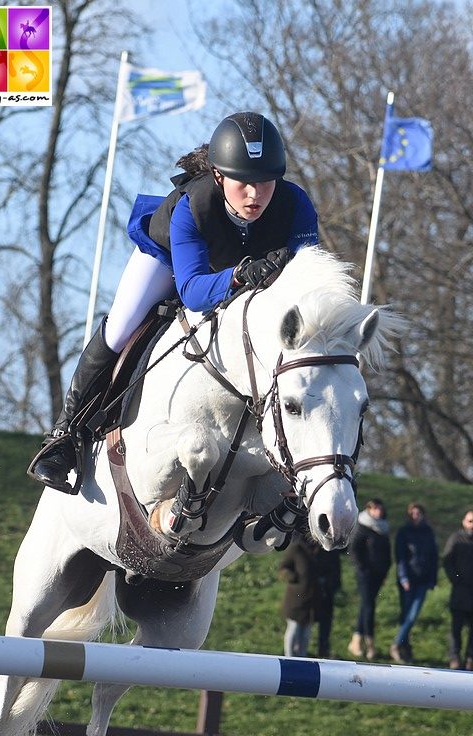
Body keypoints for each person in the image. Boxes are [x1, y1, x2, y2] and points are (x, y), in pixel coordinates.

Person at [30, 111, 318, 491]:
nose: (255, 194)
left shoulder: (295, 205)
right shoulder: (192, 206)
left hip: (239, 266)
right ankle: (65, 436)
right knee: (121, 327)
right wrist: (237, 274)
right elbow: (194, 291)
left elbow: (309, 281)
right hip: (171, 261)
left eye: (266, 182)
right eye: (243, 183)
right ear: (218, 175)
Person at [390, 502, 438, 663]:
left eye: (418, 513)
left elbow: (434, 557)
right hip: (408, 580)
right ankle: (402, 648)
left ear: (423, 515)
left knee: (412, 615)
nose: (416, 516)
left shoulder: (428, 532)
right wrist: (403, 578)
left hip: (423, 580)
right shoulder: (404, 532)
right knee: (406, 617)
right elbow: (401, 558)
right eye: (413, 513)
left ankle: (397, 645)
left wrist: (433, 579)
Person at [279, 538, 341, 659]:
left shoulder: (324, 552)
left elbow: (331, 571)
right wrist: (295, 578)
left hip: (313, 598)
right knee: (294, 628)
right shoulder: (296, 549)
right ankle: (289, 657)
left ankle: (302, 657)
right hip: (296, 597)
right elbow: (284, 568)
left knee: (306, 631)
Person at [347, 498, 391, 661]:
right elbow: (354, 550)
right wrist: (363, 568)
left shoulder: (384, 528)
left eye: (380, 508)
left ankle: (356, 640)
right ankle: (369, 643)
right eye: (375, 508)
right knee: (369, 605)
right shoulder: (362, 527)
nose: (378, 511)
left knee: (367, 605)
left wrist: (385, 570)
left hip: (379, 575)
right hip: (365, 574)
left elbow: (387, 552)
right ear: (369, 509)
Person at [442, 510, 473, 670]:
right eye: (470, 521)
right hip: (460, 591)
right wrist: (455, 578)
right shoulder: (456, 538)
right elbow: (447, 560)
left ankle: (470, 659)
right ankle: (454, 657)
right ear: (464, 522)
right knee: (456, 628)